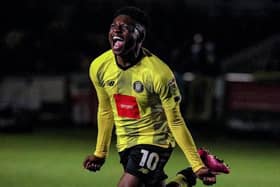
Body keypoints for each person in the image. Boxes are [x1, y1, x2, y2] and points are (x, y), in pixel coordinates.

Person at [83, 6, 216, 187]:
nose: (116, 30)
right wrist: (100, 153)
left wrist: (197, 164)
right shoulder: (99, 66)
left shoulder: (159, 74)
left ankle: (193, 170)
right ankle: (185, 179)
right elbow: (105, 110)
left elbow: (175, 121)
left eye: (125, 27)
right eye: (114, 26)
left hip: (155, 139)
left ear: (140, 35)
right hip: (125, 142)